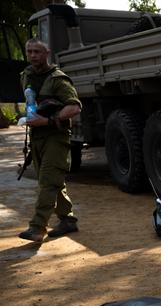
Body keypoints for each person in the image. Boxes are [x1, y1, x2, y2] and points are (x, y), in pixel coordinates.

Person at [18, 38, 82, 243]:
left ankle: (37, 227)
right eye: (29, 52)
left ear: (47, 53)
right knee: (54, 181)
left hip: (56, 137)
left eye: (37, 51)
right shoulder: (26, 75)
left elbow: (74, 107)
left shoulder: (58, 79)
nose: (33, 55)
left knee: (47, 182)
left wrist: (46, 120)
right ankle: (68, 220)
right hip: (36, 138)